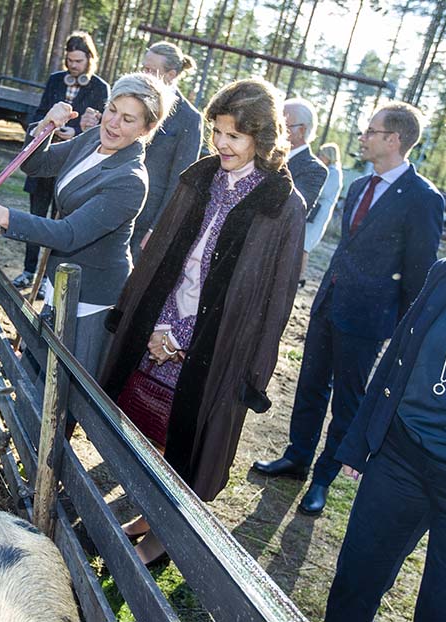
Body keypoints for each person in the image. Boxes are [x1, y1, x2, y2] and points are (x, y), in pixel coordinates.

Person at [98, 79, 305, 564]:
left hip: (212, 347)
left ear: (262, 137)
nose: (222, 144)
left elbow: (273, 302)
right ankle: (150, 513)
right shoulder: (201, 177)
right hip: (160, 325)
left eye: (234, 136)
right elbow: (161, 258)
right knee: (146, 432)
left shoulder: (282, 205)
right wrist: (147, 322)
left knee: (185, 444)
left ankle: (167, 535)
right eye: (217, 132)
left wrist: (188, 341)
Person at [252, 102, 445, 516]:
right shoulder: (359, 186)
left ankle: (323, 478)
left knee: (347, 402)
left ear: (393, 140)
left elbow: (419, 273)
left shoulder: (422, 198)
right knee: (310, 386)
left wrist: (401, 329)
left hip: (368, 318)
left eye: (371, 131)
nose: (363, 137)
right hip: (329, 305)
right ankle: (297, 457)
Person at [0, 72, 172, 376]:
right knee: (36, 378)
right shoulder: (92, 139)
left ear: (147, 128)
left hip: (91, 301)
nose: (113, 123)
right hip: (60, 283)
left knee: (65, 393)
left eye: (128, 119)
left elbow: (69, 234)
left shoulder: (130, 180)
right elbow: (35, 164)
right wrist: (46, 128)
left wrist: (3, 216)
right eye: (112, 110)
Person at [325, 250, 446, 622]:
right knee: (354, 582)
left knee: (445, 611)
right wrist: (361, 439)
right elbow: (397, 357)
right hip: (399, 457)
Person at [13, 31, 110, 299]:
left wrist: (76, 131)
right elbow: (39, 113)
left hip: (71, 167)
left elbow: (101, 129)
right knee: (34, 218)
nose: (73, 66)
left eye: (78, 61)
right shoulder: (56, 81)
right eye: (69, 61)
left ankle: (47, 278)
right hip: (44, 159)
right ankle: (28, 270)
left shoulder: (100, 88)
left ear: (90, 60)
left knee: (60, 226)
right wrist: (49, 128)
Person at [131, 41, 202, 262]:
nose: (144, 74)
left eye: (150, 70)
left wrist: (157, 228)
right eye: (143, 68)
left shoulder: (189, 118)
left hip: (146, 219)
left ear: (171, 75)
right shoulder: (130, 99)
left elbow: (181, 182)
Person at [299, 143, 343, 286]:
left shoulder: (334, 172)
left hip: (319, 214)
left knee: (305, 245)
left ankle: (300, 277)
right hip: (316, 212)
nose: (319, 157)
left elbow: (324, 191)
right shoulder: (331, 170)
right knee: (302, 244)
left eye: (322, 154)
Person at [284, 97, 328, 212]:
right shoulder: (266, 156)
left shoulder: (314, 170)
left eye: (283, 125)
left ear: (301, 130)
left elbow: (294, 210)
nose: (275, 130)